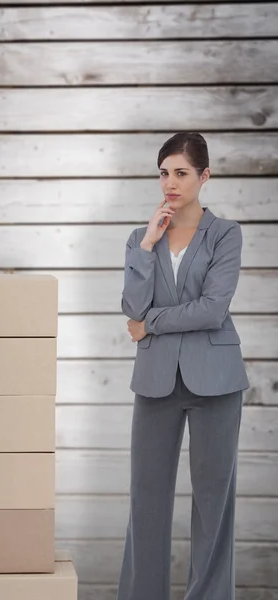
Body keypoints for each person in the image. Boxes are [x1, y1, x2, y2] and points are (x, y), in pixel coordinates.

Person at [116, 132, 250, 600]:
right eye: (163, 173)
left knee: (214, 504)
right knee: (146, 500)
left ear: (204, 176)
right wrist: (148, 245)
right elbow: (131, 306)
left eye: (181, 173)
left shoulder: (226, 234)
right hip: (155, 382)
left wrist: (150, 323)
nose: (169, 183)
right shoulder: (140, 237)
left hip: (216, 381)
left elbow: (212, 309)